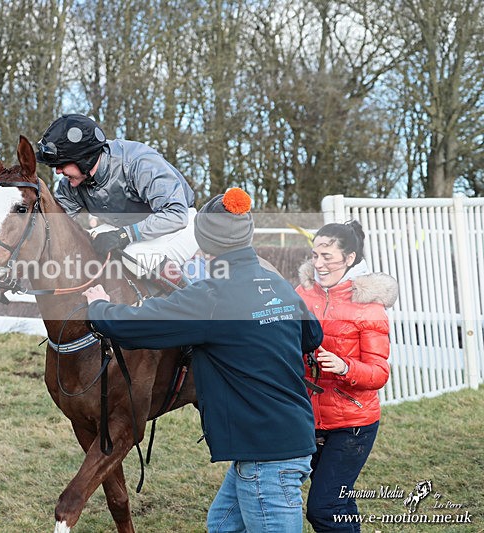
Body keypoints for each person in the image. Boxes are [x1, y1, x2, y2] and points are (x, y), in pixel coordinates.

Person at [83, 188, 323, 533]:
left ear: (207, 243)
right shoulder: (277, 284)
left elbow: (139, 326)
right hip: (279, 439)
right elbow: (312, 337)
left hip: (266, 455)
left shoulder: (212, 295)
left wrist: (99, 307)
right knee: (222, 525)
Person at [295, 221, 398, 533]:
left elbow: (379, 373)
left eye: (328, 256)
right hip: (310, 418)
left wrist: (345, 367)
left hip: (353, 424)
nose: (318, 264)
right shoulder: (302, 294)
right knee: (339, 502)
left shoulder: (368, 307)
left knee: (324, 509)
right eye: (314, 255)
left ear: (350, 258)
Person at [35, 114, 197, 287]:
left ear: (85, 159)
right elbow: (54, 224)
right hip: (132, 227)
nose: (58, 172)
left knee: (136, 255)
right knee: (90, 240)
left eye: (62, 164)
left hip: (178, 224)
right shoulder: (71, 184)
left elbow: (175, 215)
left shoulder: (139, 163)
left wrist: (125, 234)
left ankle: (191, 301)